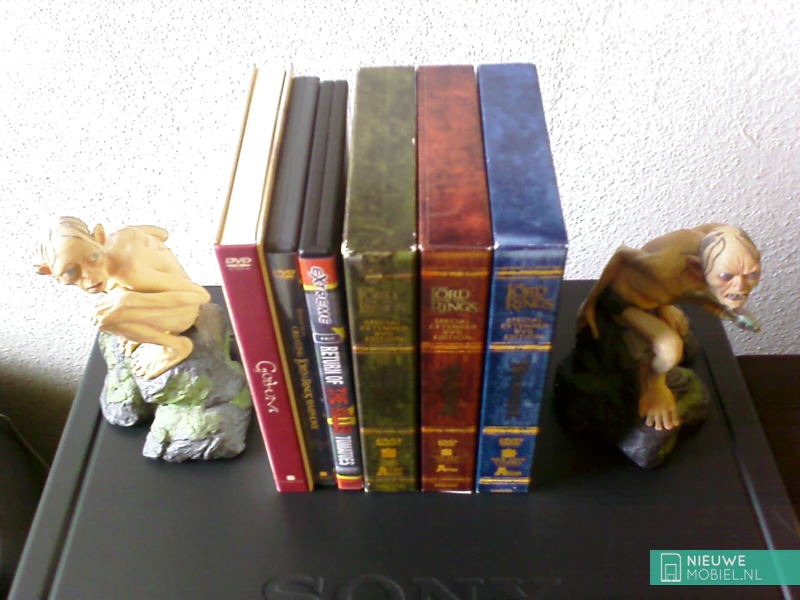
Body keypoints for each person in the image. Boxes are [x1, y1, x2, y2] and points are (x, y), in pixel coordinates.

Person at [35, 217, 210, 379]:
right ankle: (144, 329)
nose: (90, 277)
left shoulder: (129, 272)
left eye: (93, 258)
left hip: (185, 312)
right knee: (111, 304)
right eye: (70, 272)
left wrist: (129, 302)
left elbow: (199, 295)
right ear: (49, 272)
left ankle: (176, 346)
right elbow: (161, 234)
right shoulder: (116, 238)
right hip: (165, 299)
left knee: (107, 320)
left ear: (99, 237)